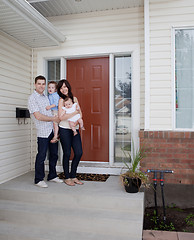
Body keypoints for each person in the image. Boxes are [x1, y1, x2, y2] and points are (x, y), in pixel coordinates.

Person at [28, 75, 63, 188]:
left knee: (53, 154)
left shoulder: (46, 97)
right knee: (42, 155)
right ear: (35, 84)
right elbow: (38, 116)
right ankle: (38, 179)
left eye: (43, 84)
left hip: (52, 130)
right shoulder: (32, 98)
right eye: (39, 83)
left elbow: (53, 109)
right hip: (42, 131)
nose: (42, 86)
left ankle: (52, 175)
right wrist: (54, 119)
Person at [57, 79, 83, 186]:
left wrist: (76, 116)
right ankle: (67, 177)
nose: (64, 89)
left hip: (74, 129)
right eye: (61, 87)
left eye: (65, 86)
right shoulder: (61, 101)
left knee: (78, 152)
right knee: (67, 153)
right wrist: (74, 113)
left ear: (68, 87)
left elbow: (80, 114)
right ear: (59, 90)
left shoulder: (75, 99)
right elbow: (61, 117)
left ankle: (73, 175)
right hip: (64, 129)